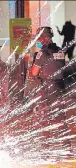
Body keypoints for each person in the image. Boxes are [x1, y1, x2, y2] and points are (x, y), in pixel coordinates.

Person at [31, 27, 72, 158]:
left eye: (39, 39)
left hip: (47, 89)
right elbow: (60, 67)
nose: (38, 41)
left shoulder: (42, 54)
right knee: (60, 118)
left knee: (45, 118)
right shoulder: (60, 51)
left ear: (43, 39)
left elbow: (34, 72)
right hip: (59, 87)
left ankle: (46, 149)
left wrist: (35, 59)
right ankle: (66, 148)